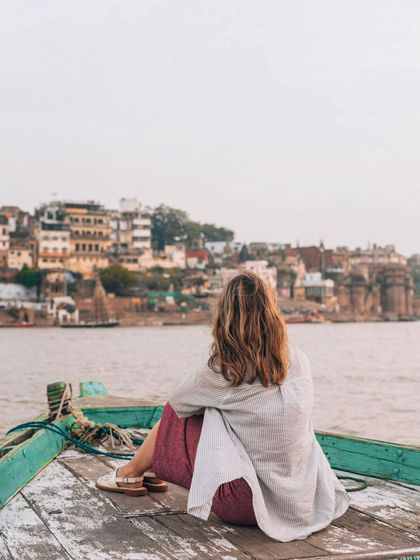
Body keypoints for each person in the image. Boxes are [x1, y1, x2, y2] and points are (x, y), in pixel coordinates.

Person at [96, 271, 350, 542]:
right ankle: (146, 469)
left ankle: (131, 472)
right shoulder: (299, 361)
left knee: (185, 412)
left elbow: (177, 404)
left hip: (243, 506)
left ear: (226, 318)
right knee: (219, 410)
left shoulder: (223, 371)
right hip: (302, 501)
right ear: (272, 315)